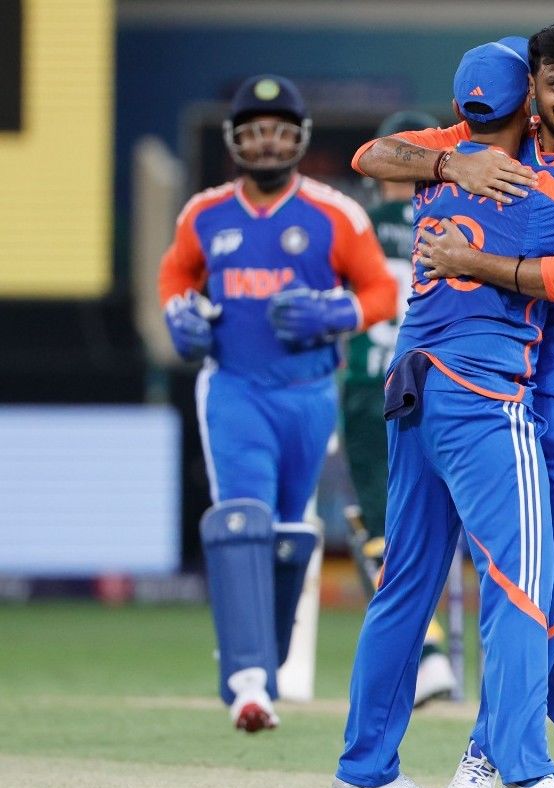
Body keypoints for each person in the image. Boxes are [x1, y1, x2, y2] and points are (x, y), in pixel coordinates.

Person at [327, 41, 554, 788]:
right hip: (483, 396)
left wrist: (448, 173)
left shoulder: (443, 161)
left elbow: (375, 154)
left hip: (411, 382)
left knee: (406, 587)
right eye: (553, 89)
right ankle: (525, 777)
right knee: (520, 588)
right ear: (529, 104)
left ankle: (364, 772)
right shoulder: (540, 191)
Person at [158, 75, 396, 732]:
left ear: (299, 140)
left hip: (309, 394)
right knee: (244, 518)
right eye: (256, 131)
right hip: (234, 387)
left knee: (290, 530)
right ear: (237, 140)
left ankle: (267, 660)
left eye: (281, 132)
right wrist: (180, 315)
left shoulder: (334, 214)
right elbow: (176, 273)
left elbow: (381, 292)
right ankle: (246, 681)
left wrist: (334, 312)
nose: (268, 144)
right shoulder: (205, 213)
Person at [340, 109, 457, 706]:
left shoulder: (356, 226)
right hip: (454, 383)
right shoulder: (457, 220)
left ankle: (429, 654)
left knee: (388, 529)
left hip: (373, 388)